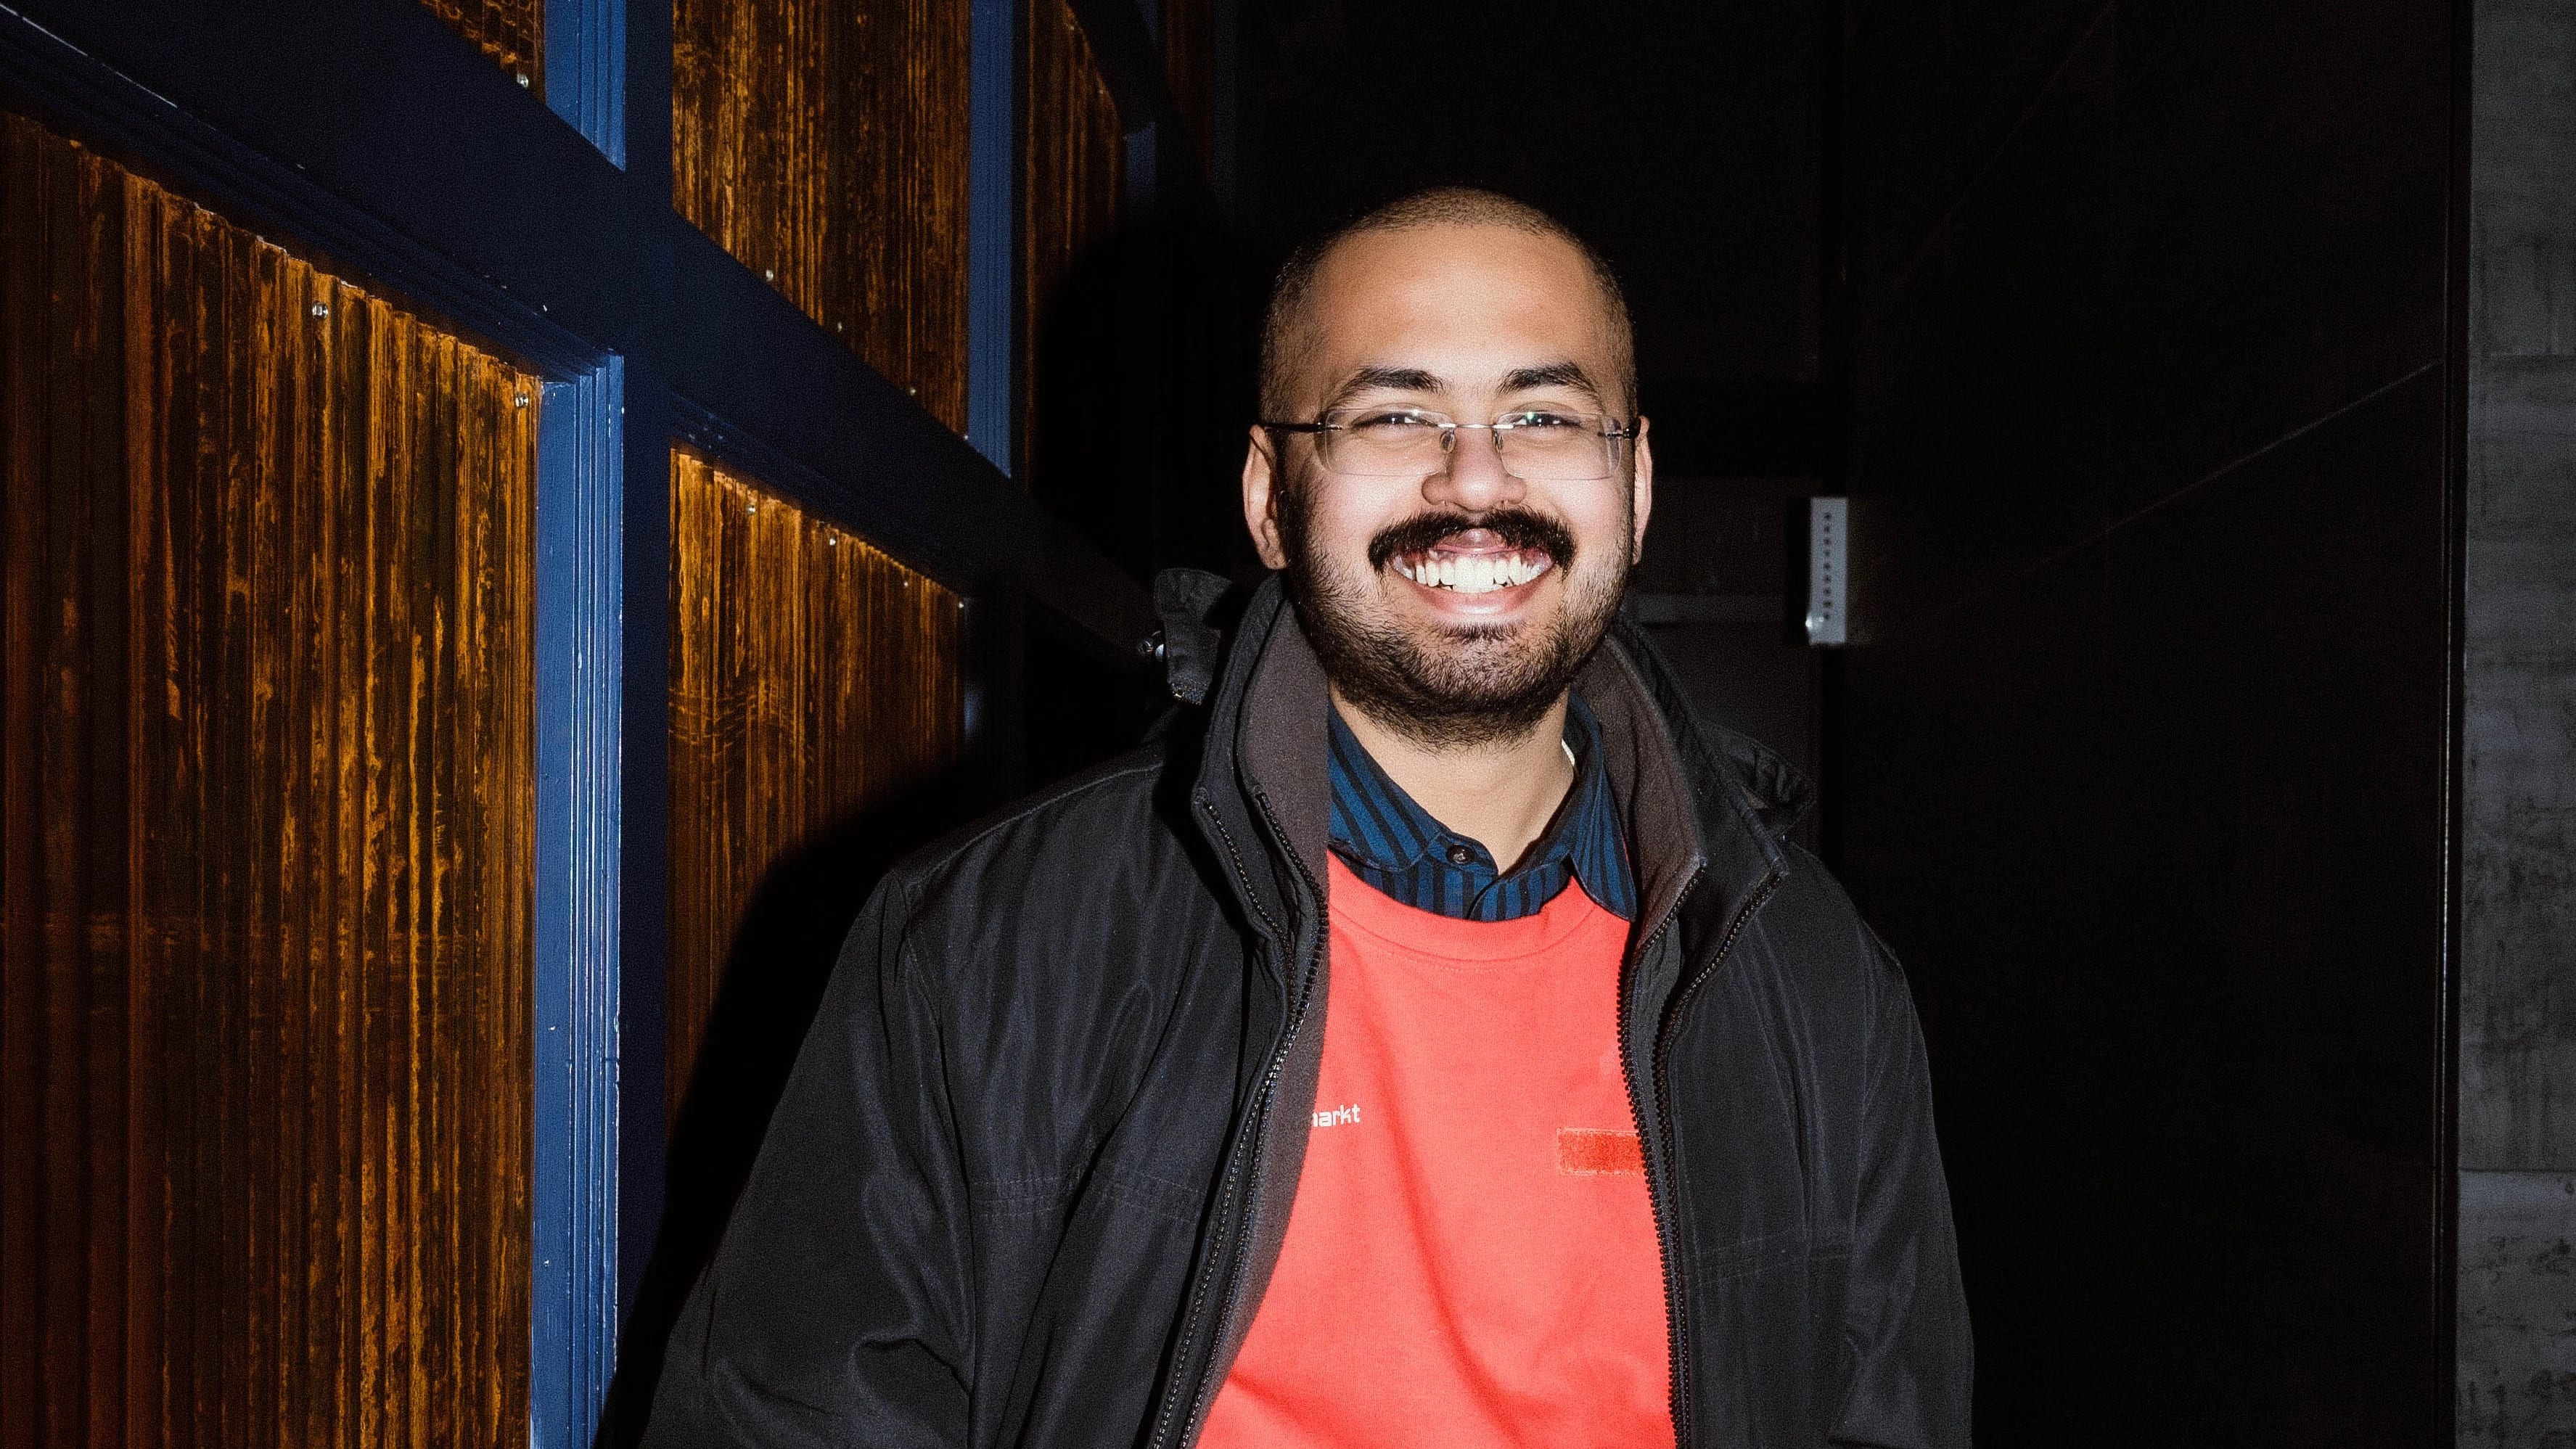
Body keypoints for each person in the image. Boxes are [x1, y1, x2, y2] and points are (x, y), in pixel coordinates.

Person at [642, 187, 1971, 1448]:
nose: (1473, 479)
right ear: (1271, 498)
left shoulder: (1812, 977)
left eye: (1545, 417)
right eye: (1394, 419)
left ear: (1633, 483)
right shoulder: (986, 947)